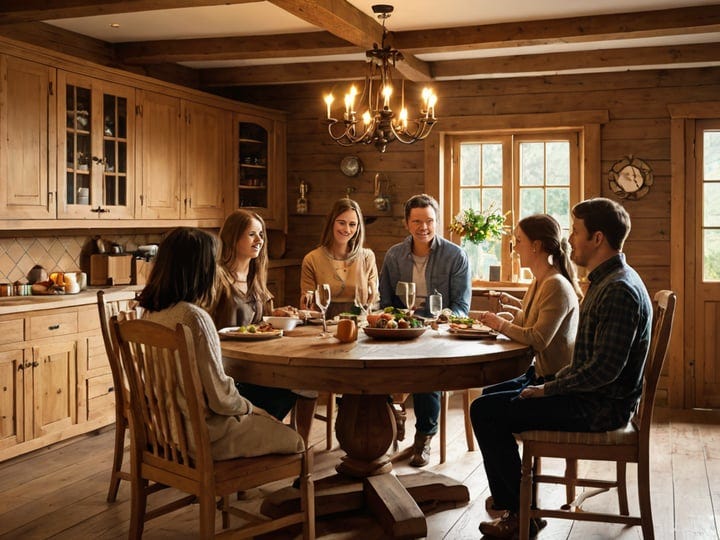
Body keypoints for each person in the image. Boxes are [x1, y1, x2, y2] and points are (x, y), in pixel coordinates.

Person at [471, 198, 653, 539]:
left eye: (576, 231)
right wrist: (550, 384)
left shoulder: (618, 290)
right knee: (488, 404)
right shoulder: (607, 281)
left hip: (598, 408)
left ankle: (519, 514)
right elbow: (593, 365)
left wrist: (548, 388)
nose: (569, 239)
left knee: (486, 412)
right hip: (592, 397)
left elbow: (604, 371)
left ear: (597, 238)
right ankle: (519, 503)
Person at [137, 227, 304, 460]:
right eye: (213, 264)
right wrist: (254, 410)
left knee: (269, 400)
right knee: (298, 442)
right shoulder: (193, 317)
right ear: (201, 270)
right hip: (207, 436)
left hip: (167, 431)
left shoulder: (151, 314)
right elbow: (221, 399)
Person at [379, 193, 471, 467]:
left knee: (427, 367)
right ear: (407, 223)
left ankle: (424, 437)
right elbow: (385, 303)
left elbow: (461, 306)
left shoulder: (456, 256)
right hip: (402, 330)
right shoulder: (394, 256)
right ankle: (389, 418)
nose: (424, 227)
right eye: (417, 221)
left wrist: (441, 319)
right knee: (367, 363)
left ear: (437, 222)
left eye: (429, 221)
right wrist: (396, 318)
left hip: (437, 333)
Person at [207, 209, 299, 422]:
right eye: (251, 234)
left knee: (297, 386)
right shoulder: (217, 277)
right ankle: (254, 429)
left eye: (261, 235)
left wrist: (273, 314)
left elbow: (257, 322)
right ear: (233, 236)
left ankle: (263, 429)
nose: (259, 240)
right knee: (286, 390)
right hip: (228, 370)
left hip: (255, 363)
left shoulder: (255, 276)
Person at [479, 214, 583, 399]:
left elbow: (537, 339)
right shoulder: (539, 280)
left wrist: (500, 324)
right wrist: (511, 312)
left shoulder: (555, 284)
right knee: (487, 394)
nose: (515, 248)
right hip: (537, 375)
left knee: (482, 407)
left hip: (553, 383)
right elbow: (528, 322)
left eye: (519, 241)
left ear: (536, 246)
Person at [300, 198, 378, 319]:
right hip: (322, 326)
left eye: (352, 224)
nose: (347, 229)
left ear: (358, 227)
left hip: (359, 326)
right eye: (341, 223)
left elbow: (374, 300)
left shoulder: (367, 257)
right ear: (331, 222)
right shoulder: (311, 259)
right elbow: (307, 305)